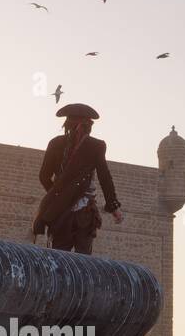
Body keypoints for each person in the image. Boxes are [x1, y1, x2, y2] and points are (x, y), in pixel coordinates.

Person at [32, 103, 123, 254]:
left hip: (60, 211)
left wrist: (59, 195)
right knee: (83, 261)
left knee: (59, 258)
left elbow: (44, 177)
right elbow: (104, 177)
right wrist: (113, 207)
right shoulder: (96, 146)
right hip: (84, 211)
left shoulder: (55, 143)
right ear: (86, 125)